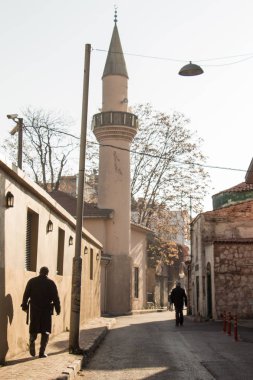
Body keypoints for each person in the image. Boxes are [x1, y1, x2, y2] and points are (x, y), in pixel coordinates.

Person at [21, 266, 61, 358]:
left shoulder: (32, 281)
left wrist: (24, 305)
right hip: (46, 309)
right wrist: (58, 309)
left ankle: (32, 340)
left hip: (34, 308)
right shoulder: (51, 283)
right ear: (47, 273)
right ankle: (41, 352)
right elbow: (56, 298)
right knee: (45, 330)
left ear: (39, 272)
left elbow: (26, 294)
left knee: (34, 326)